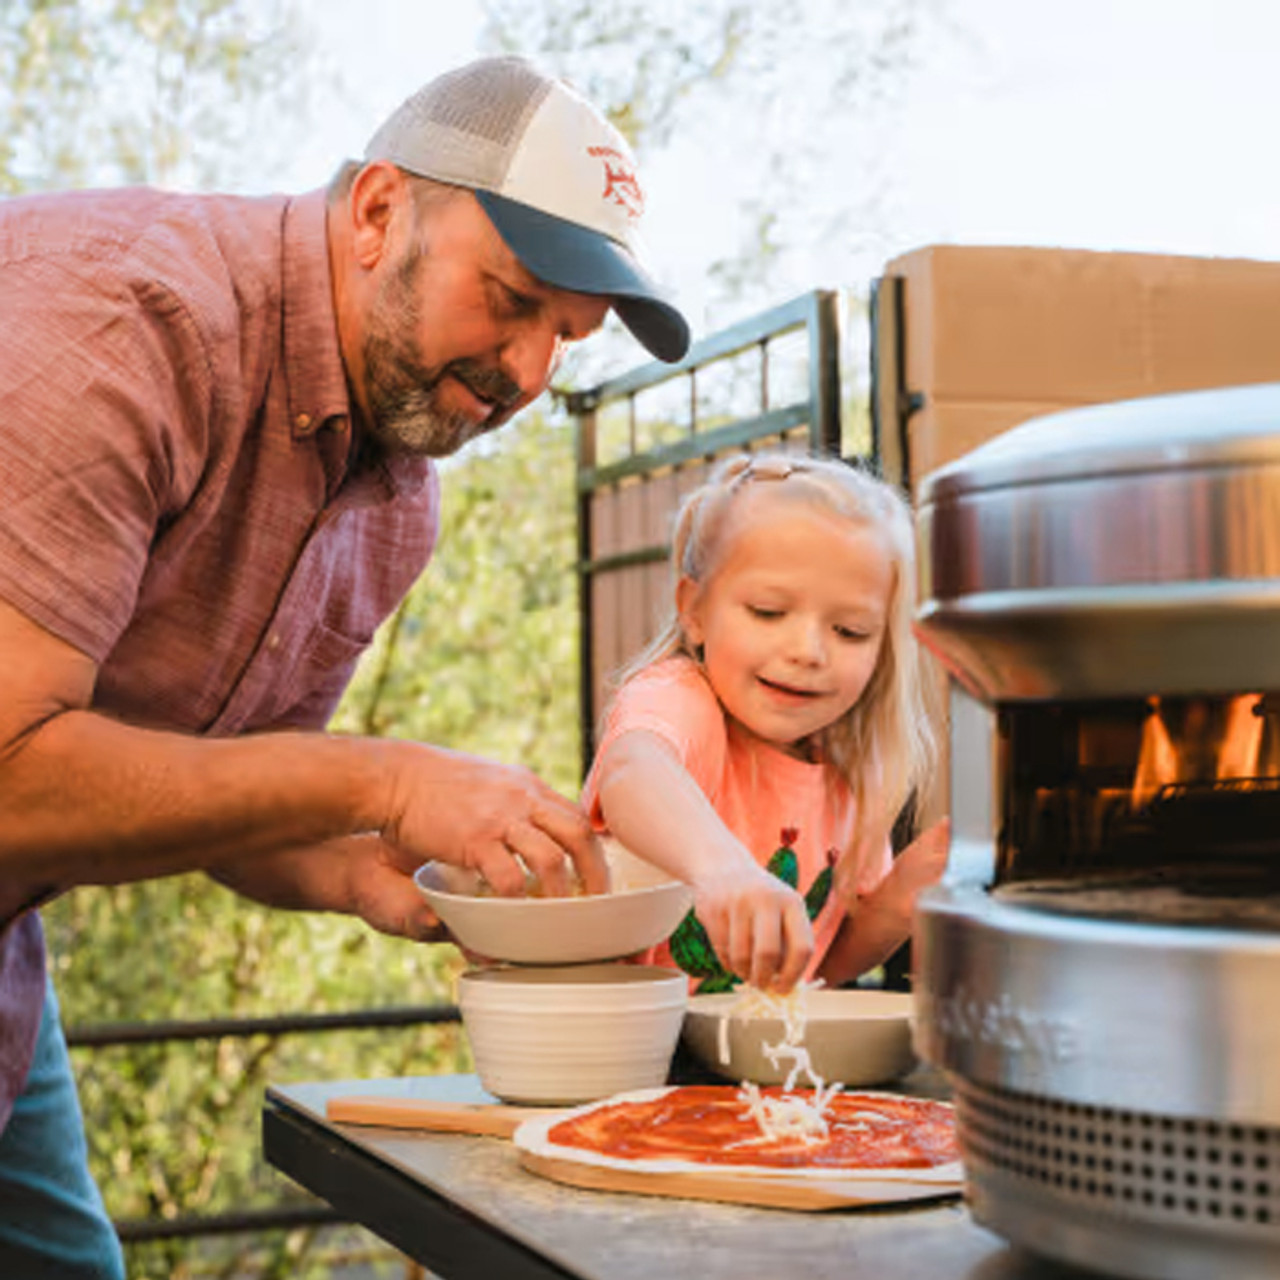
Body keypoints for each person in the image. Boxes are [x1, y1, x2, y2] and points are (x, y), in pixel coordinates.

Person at [0, 55, 690, 1277]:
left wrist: (381, 874)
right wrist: (382, 778)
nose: (528, 373)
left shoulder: (393, 502)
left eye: (564, 340)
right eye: (513, 296)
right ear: (378, 211)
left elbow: (223, 793)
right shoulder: (121, 323)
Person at [581, 451, 949, 996]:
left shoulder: (851, 775)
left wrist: (898, 902)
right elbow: (632, 772)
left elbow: (818, 965)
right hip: (623, 1056)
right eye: (768, 612)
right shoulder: (680, 699)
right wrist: (723, 871)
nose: (807, 651)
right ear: (695, 609)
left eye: (850, 631)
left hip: (746, 1072)